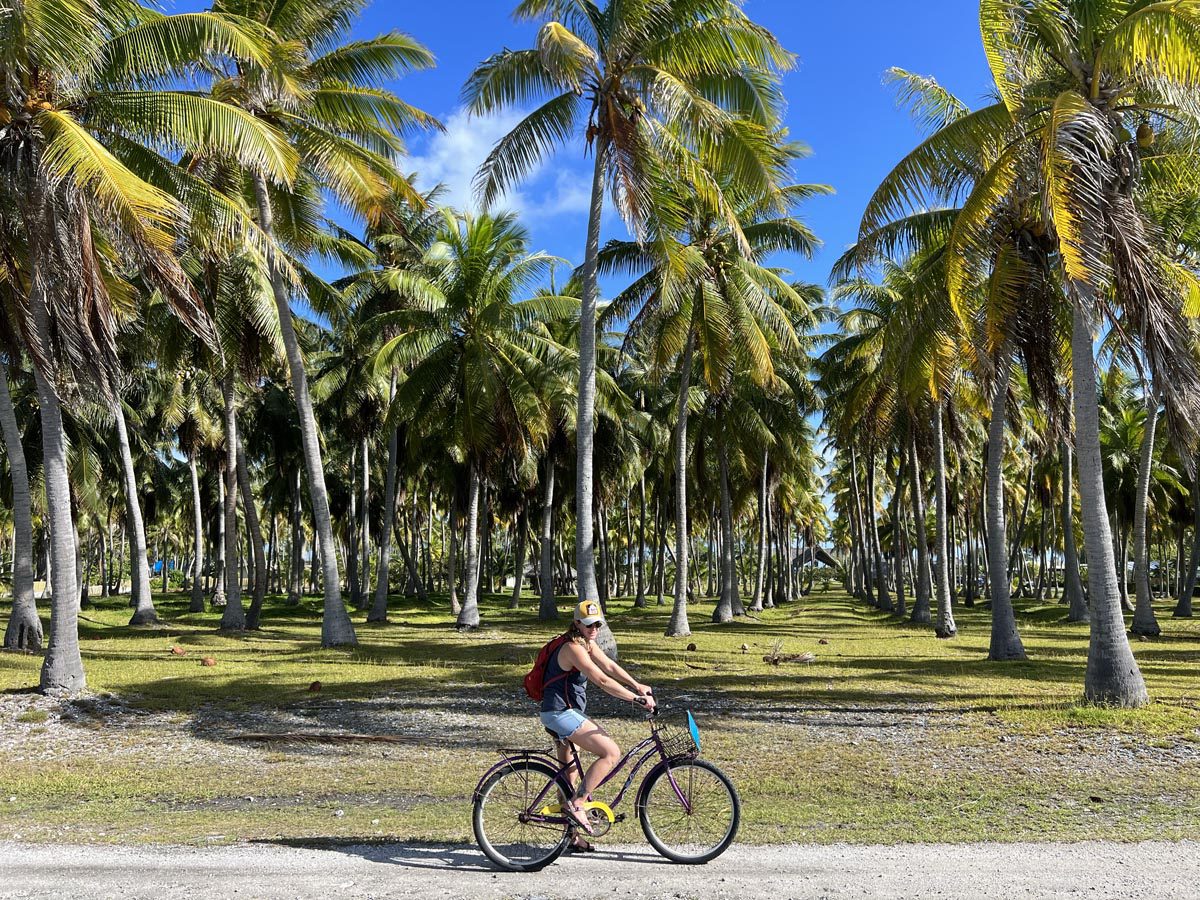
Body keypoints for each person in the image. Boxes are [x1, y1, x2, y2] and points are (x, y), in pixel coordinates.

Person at [539, 599, 655, 849]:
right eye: (589, 624)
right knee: (610, 752)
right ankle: (578, 804)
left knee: (568, 777)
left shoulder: (586, 643)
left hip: (563, 713)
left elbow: (610, 666)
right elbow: (601, 679)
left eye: (598, 624)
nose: (594, 629)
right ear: (577, 623)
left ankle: (571, 837)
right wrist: (635, 699)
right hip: (561, 713)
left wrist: (637, 685)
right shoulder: (572, 648)